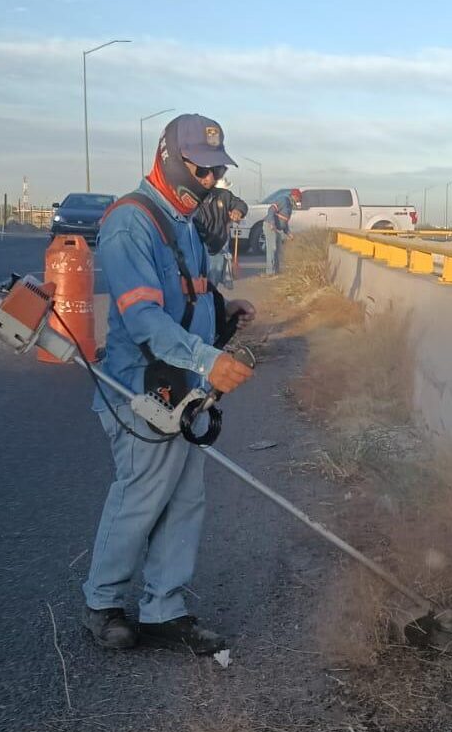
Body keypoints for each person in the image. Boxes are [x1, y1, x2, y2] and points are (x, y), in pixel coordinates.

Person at [82, 114, 256, 655]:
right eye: (200, 171)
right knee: (141, 497)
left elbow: (189, 293)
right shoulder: (130, 223)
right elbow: (144, 321)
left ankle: (164, 609)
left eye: (215, 173)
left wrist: (224, 313)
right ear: (168, 158)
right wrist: (208, 360)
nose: (209, 182)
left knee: (184, 499)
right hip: (142, 389)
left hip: (185, 387)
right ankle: (102, 602)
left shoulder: (181, 219)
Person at [195, 177, 248, 288]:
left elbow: (241, 204)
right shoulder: (190, 197)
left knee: (212, 284)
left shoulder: (224, 195)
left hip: (217, 248)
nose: (205, 181)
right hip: (197, 249)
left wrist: (238, 211)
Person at [264, 188, 300, 275]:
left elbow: (284, 220)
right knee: (272, 248)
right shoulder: (284, 200)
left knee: (277, 250)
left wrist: (288, 233)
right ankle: (270, 272)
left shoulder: (290, 205)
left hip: (278, 228)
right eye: (299, 198)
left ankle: (276, 271)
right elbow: (271, 209)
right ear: (294, 196)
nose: (299, 201)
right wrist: (272, 223)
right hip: (270, 226)